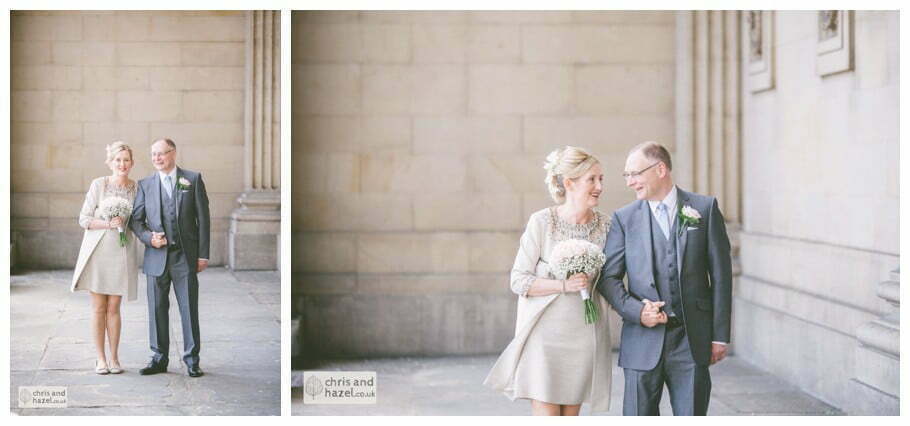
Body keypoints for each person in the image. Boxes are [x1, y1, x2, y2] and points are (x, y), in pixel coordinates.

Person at [597, 141, 732, 415]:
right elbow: (608, 278)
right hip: (641, 342)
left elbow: (721, 276)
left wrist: (719, 336)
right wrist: (638, 311)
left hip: (691, 341)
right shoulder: (624, 219)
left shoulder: (704, 209)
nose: (630, 182)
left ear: (660, 169)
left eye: (634, 174)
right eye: (627, 176)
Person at [484, 146, 612, 416]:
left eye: (601, 179)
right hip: (545, 336)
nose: (599, 186)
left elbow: (613, 280)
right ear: (569, 183)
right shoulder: (541, 222)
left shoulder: (607, 226)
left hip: (583, 335)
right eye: (592, 179)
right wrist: (565, 285)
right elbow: (518, 281)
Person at [129, 138, 211, 377]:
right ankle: (158, 358)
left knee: (188, 308)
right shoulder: (145, 184)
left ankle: (192, 359)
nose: (156, 158)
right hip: (156, 257)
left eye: (161, 154)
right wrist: (148, 238)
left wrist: (203, 254)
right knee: (156, 309)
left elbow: (203, 220)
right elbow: (136, 220)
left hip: (185, 257)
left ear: (173, 153)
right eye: (153, 154)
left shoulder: (192, 179)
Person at [71, 142, 139, 375]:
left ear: (132, 163)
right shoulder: (98, 185)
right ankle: (100, 359)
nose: (122, 164)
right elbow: (84, 219)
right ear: (110, 162)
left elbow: (139, 221)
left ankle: (115, 358)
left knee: (115, 307)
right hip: (98, 251)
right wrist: (108, 224)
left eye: (126, 160)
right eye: (118, 160)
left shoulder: (136, 188)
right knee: (99, 308)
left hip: (122, 252)